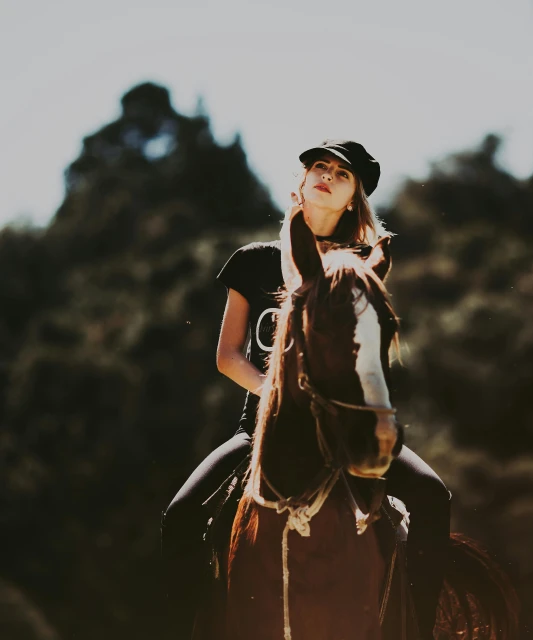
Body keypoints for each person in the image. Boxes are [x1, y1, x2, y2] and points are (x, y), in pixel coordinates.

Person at [161, 140, 452, 639]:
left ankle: (418, 631)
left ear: (353, 198)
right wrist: (281, 396)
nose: (327, 175)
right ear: (301, 181)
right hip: (262, 430)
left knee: (433, 496)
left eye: (342, 174)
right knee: (181, 515)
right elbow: (227, 356)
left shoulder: (360, 264)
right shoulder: (253, 262)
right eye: (320, 166)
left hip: (347, 431)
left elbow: (366, 350)